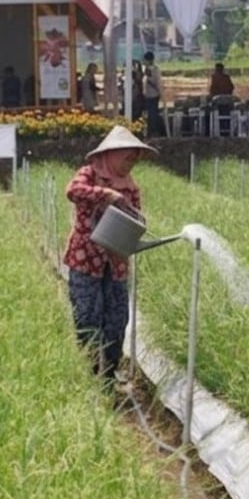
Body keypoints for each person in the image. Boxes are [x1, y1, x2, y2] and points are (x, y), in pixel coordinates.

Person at [64, 125, 156, 385]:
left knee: (116, 319)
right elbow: (72, 191)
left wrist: (135, 221)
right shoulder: (90, 174)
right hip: (86, 259)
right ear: (113, 154)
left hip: (115, 262)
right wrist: (107, 194)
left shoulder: (131, 187)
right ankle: (91, 371)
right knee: (88, 316)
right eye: (128, 157)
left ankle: (109, 373)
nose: (131, 163)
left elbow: (135, 217)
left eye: (134, 159)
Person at [142, 51, 164, 136]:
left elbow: (157, 83)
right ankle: (150, 131)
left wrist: (161, 94)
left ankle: (155, 132)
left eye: (145, 60)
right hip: (147, 95)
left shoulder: (154, 70)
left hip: (153, 96)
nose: (144, 62)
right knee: (149, 115)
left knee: (153, 115)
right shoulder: (147, 70)